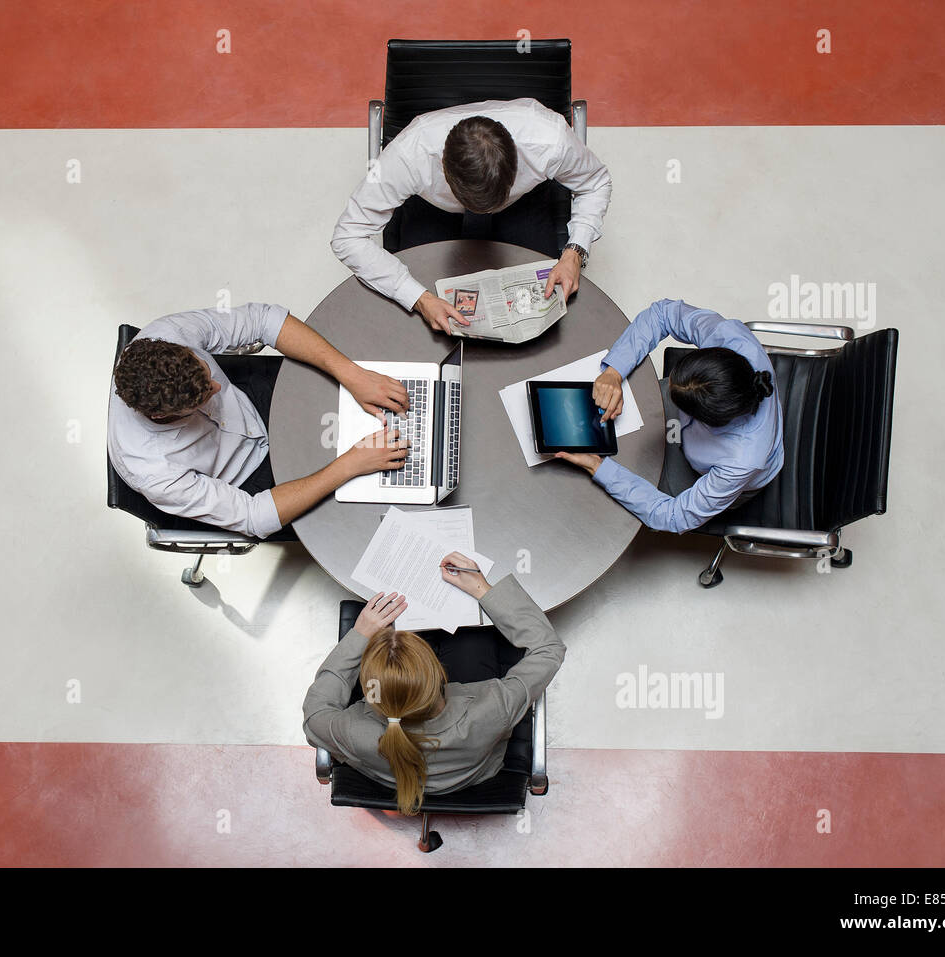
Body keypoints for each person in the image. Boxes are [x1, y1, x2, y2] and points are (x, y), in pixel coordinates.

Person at [108, 302, 411, 539]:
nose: (216, 387)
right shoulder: (154, 473)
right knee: (374, 510)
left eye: (206, 370)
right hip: (252, 477)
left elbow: (264, 320)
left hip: (252, 396)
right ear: (162, 415)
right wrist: (350, 464)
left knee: (374, 375)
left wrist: (352, 375)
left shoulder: (167, 335)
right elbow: (254, 517)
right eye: (204, 397)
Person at [302, 552, 566, 816]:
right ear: (442, 674)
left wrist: (360, 635)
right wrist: (482, 589)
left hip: (388, 775)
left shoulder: (354, 731)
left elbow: (315, 714)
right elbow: (548, 648)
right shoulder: (493, 707)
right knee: (473, 638)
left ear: (371, 692)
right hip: (474, 774)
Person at [331, 98, 612, 334]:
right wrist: (418, 298)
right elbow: (347, 235)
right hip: (435, 212)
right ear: (442, 166)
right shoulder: (409, 155)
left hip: (521, 207)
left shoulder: (550, 140)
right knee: (419, 321)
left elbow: (596, 182)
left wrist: (574, 253)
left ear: (517, 161)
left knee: (542, 312)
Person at [556, 299, 783, 533]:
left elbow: (672, 516)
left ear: (706, 419)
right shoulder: (732, 339)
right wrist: (614, 372)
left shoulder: (739, 463)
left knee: (622, 484)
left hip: (711, 471)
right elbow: (663, 314)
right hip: (703, 419)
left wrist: (598, 466)